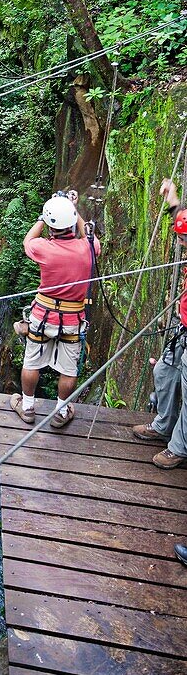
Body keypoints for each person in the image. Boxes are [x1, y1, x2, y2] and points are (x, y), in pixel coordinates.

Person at [9, 192, 100, 428]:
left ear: (51, 227)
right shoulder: (87, 249)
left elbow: (28, 240)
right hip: (72, 319)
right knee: (68, 370)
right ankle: (61, 411)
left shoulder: (43, 248)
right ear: (71, 223)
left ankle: (27, 406)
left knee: (32, 362)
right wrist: (73, 208)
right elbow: (89, 235)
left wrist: (44, 216)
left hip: (43, 316)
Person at [132, 178, 187, 469]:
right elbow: (181, 216)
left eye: (182, 240)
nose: (180, 244)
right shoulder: (185, 227)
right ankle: (163, 425)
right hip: (183, 329)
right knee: (165, 371)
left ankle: (179, 448)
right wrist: (173, 197)